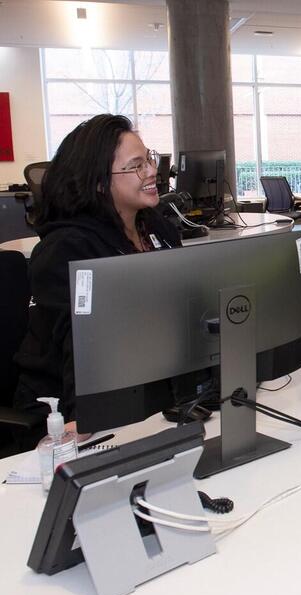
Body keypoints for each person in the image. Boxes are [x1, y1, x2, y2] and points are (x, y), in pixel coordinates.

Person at [13, 114, 181, 443]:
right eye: (136, 165)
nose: (151, 171)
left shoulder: (156, 227)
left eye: (149, 158)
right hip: (67, 412)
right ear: (100, 182)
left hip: (146, 394)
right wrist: (84, 417)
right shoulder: (67, 247)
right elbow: (79, 340)